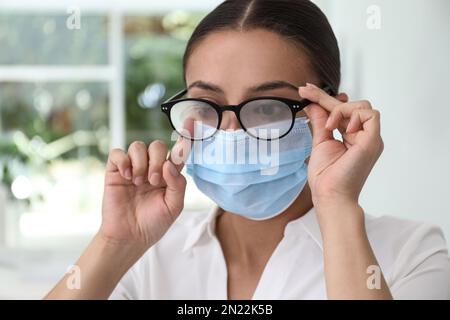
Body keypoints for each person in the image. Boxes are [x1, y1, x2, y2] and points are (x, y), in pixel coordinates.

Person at [46, 0, 450, 300]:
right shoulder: (148, 255)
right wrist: (117, 244)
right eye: (208, 103)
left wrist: (337, 204)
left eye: (268, 106)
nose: (232, 131)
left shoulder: (408, 253)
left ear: (329, 112)